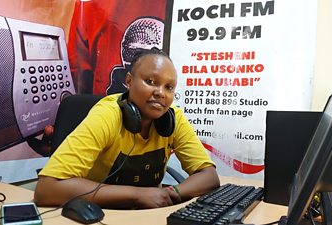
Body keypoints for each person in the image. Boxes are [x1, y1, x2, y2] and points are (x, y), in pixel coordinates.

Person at [34, 48, 220, 209]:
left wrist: (173, 192)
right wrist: (138, 195)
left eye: (169, 87)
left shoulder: (173, 118)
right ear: (129, 81)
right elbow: (47, 189)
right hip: (102, 212)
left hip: (148, 215)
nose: (161, 93)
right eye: (151, 81)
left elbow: (209, 176)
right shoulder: (108, 115)